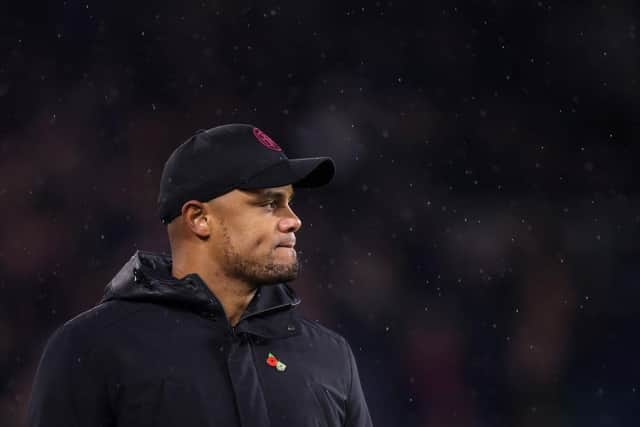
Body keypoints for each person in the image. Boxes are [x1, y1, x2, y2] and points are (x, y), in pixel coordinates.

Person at [27, 124, 373, 427]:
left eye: (289, 202)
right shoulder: (93, 347)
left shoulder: (329, 356)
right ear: (198, 219)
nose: (293, 219)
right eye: (269, 203)